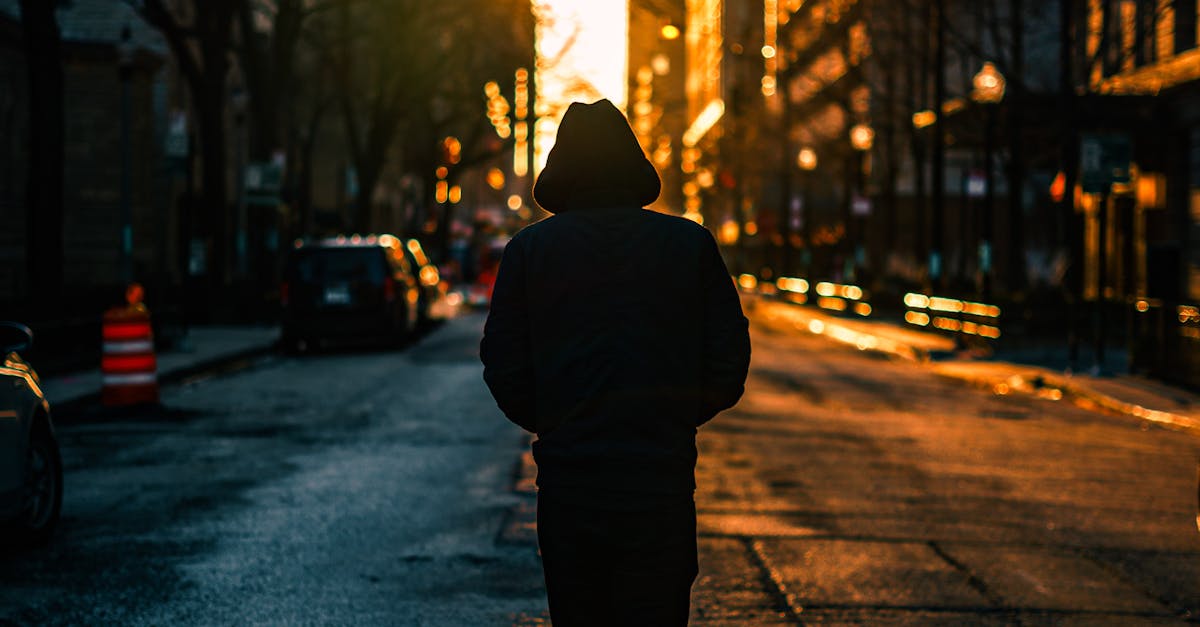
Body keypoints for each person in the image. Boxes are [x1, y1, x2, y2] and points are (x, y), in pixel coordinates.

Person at [480, 99, 751, 626]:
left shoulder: (529, 251)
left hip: (569, 485)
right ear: (633, 165)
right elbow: (728, 358)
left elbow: (504, 363)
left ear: (561, 168)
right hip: (661, 482)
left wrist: (556, 420)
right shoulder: (689, 244)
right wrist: (673, 416)